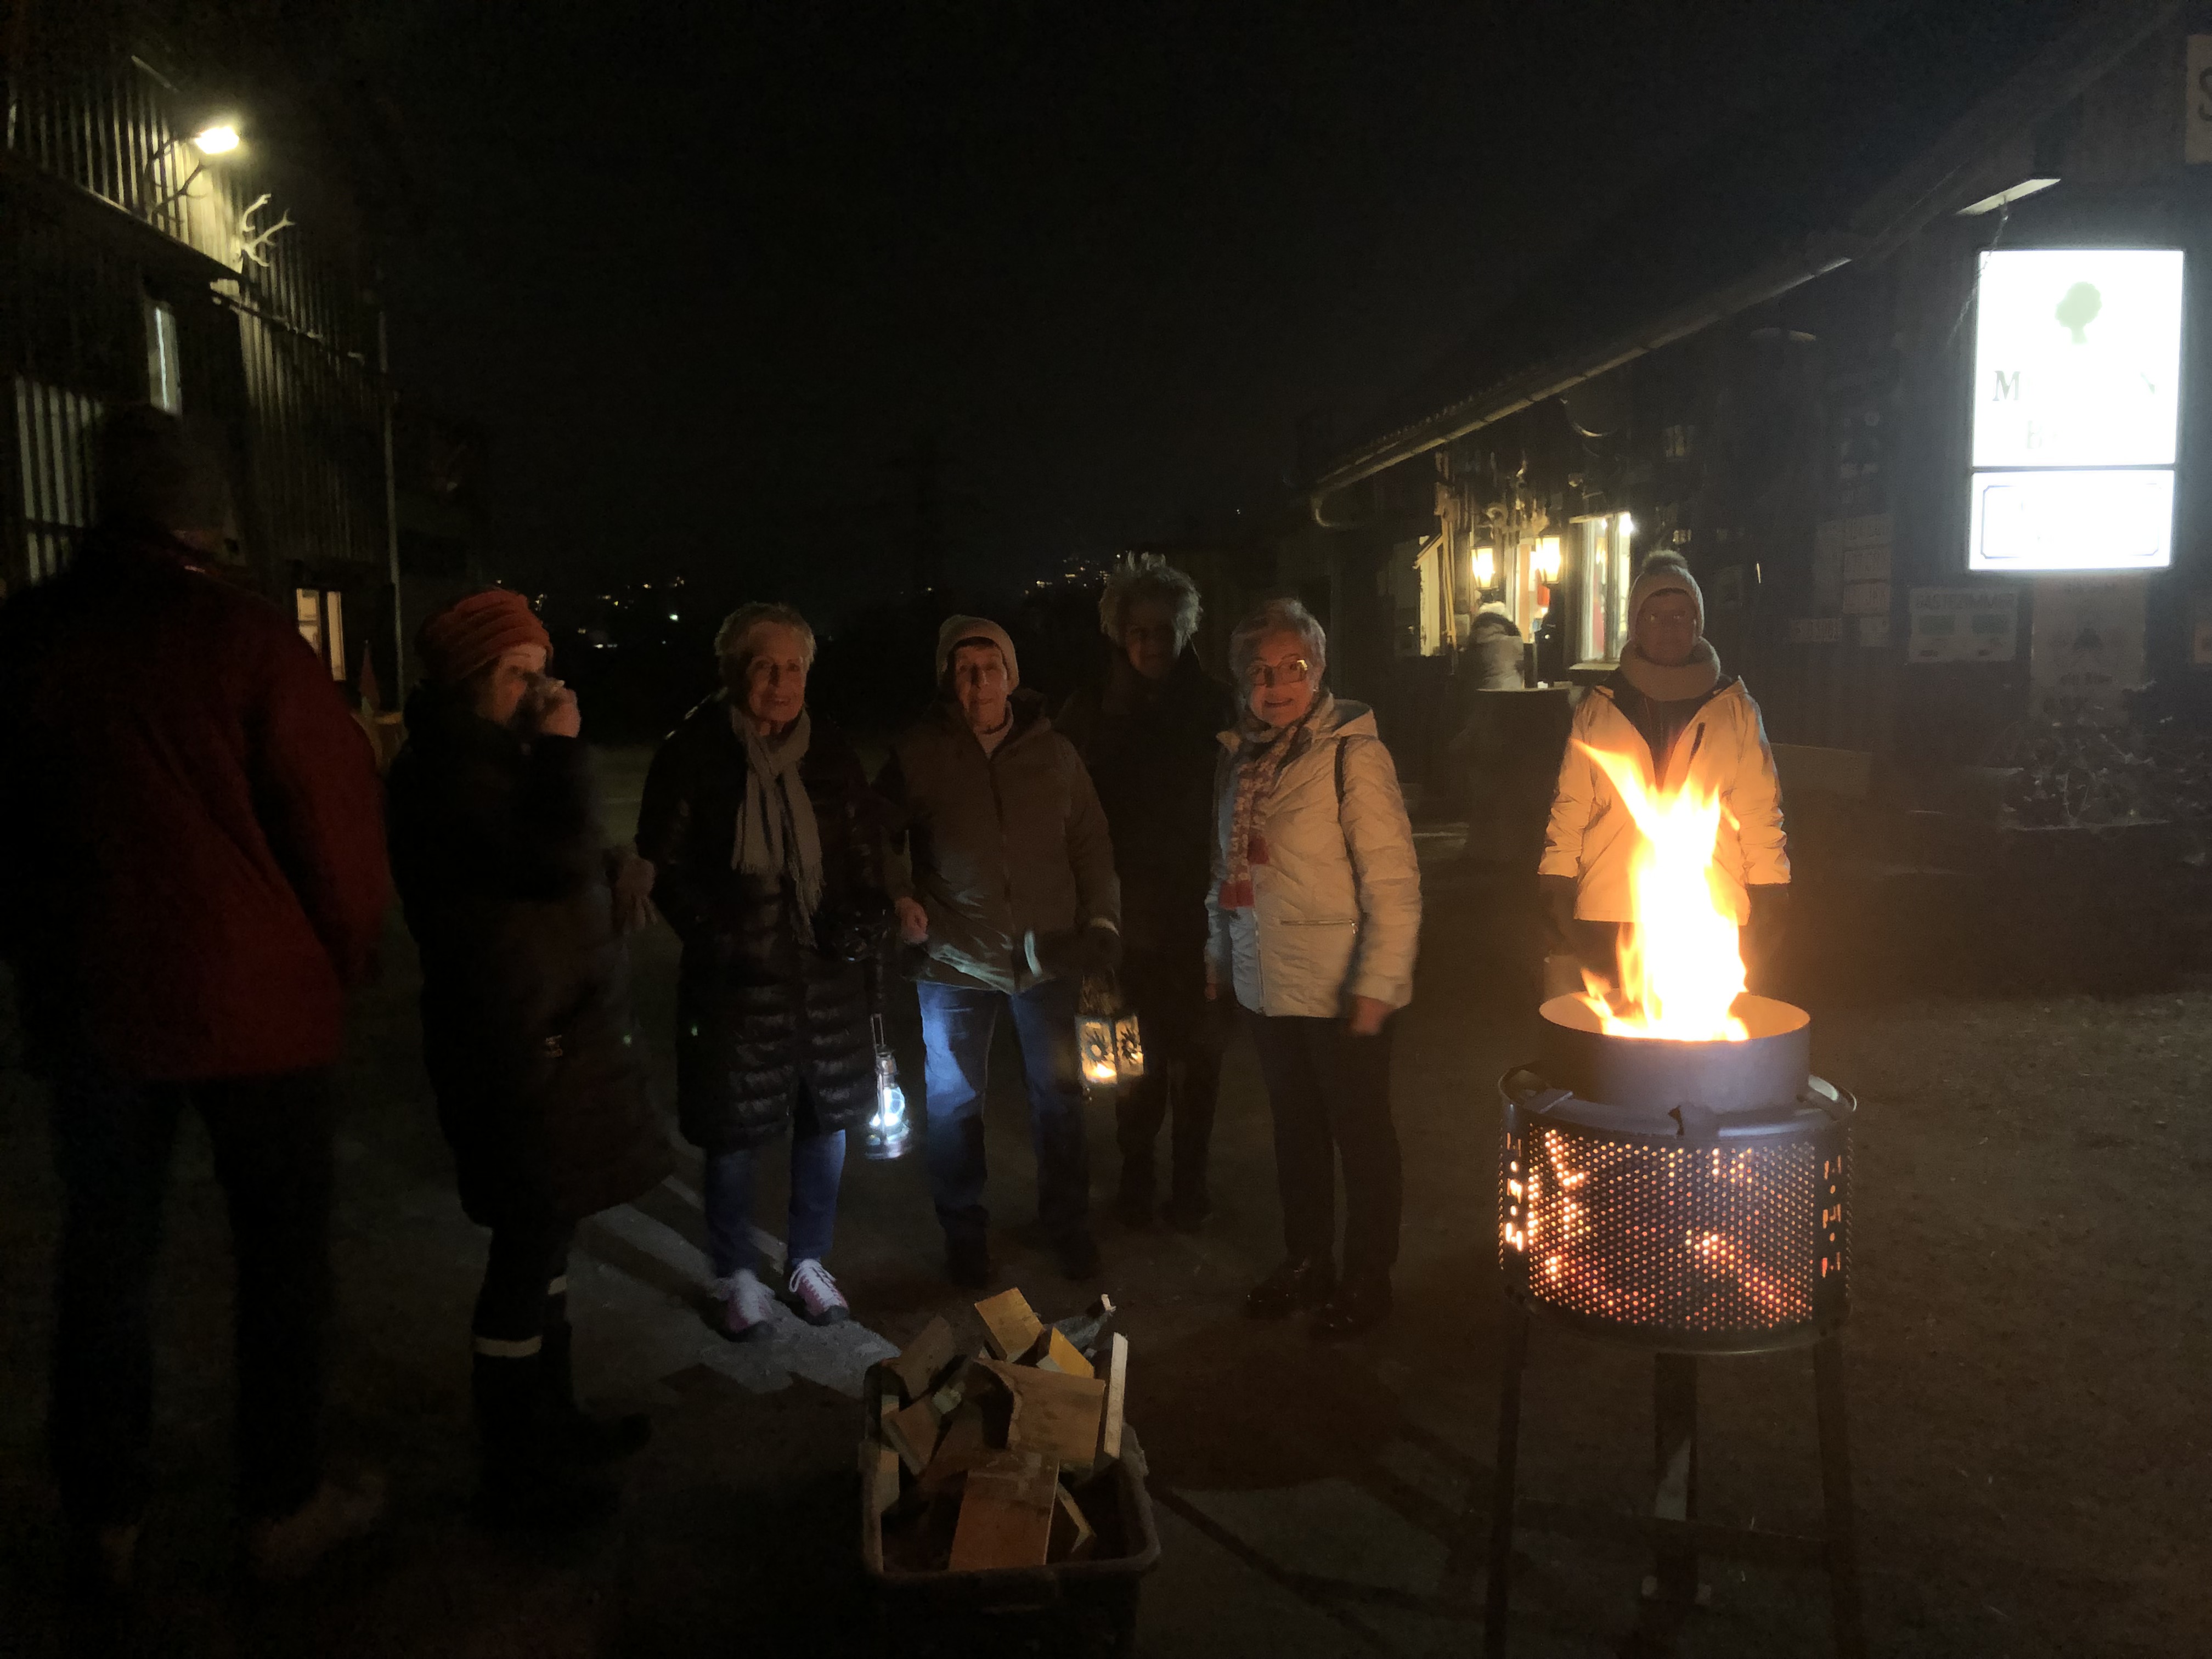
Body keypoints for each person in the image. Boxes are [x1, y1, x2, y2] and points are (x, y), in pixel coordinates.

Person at [0, 407, 390, 1587]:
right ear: (204, 522)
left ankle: (104, 1511)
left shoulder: (27, 637)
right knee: (280, 1261)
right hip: (257, 1011)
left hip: (93, 1008)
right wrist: (345, 955)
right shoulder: (246, 641)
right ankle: (279, 1498)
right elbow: (332, 825)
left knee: (105, 1256)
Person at [386, 589, 670, 1528]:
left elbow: (556, 852)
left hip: (551, 1038)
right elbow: (542, 861)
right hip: (511, 1047)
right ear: (469, 681)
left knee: (547, 1238)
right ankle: (515, 1473)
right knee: (523, 1251)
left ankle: (555, 1422)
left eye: (543, 671)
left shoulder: (491, 763)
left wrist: (612, 862)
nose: (539, 691)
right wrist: (560, 751)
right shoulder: (446, 775)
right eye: (517, 674)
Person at [635, 603, 889, 1341]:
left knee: (825, 1123)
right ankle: (735, 1273)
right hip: (736, 982)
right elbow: (662, 865)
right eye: (764, 666)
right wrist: (719, 936)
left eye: (794, 667)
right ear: (734, 671)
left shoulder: (831, 752)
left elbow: (866, 855)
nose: (781, 683)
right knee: (734, 1132)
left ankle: (808, 1260)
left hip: (826, 976)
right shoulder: (695, 752)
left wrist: (866, 919)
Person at [878, 615, 1120, 1286]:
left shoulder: (1056, 754)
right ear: (947, 680)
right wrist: (899, 895)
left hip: (1049, 956)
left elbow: (1092, 843)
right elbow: (874, 835)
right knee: (954, 1105)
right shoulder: (917, 754)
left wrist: (1102, 920)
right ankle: (964, 1235)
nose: (979, 681)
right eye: (965, 670)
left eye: (991, 668)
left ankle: (1067, 1223)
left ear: (1012, 677)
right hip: (953, 960)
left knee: (1060, 1096)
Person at [1209, 599, 1422, 1341]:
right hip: (1268, 985)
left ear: (1320, 669)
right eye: (1260, 671)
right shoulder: (1238, 758)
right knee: (1296, 1135)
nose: (1276, 685)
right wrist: (1219, 959)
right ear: (1243, 680)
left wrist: (1380, 983)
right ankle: (1307, 1262)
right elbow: (1223, 874)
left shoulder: (1352, 755)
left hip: (1342, 989)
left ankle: (1368, 1278)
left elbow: (1394, 883)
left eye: (1292, 667)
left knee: (1361, 1140)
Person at [1058, 561, 1236, 1231]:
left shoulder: (1220, 707)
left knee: (1200, 1062)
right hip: (1123, 921)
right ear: (1118, 633)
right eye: (1139, 631)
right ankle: (1136, 1174)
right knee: (1128, 1057)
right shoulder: (1089, 712)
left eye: (1164, 629)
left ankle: (1191, 1182)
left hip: (1202, 919)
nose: (1152, 643)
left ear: (1185, 629)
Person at [1539, 552, 1789, 980]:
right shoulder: (1601, 708)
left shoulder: (1734, 709)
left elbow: (1758, 810)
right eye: (1654, 617)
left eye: (1680, 615)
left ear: (1698, 623)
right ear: (1636, 625)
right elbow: (1572, 805)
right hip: (1614, 912)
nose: (1668, 627)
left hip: (1707, 911)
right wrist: (1557, 882)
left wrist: (1770, 889)